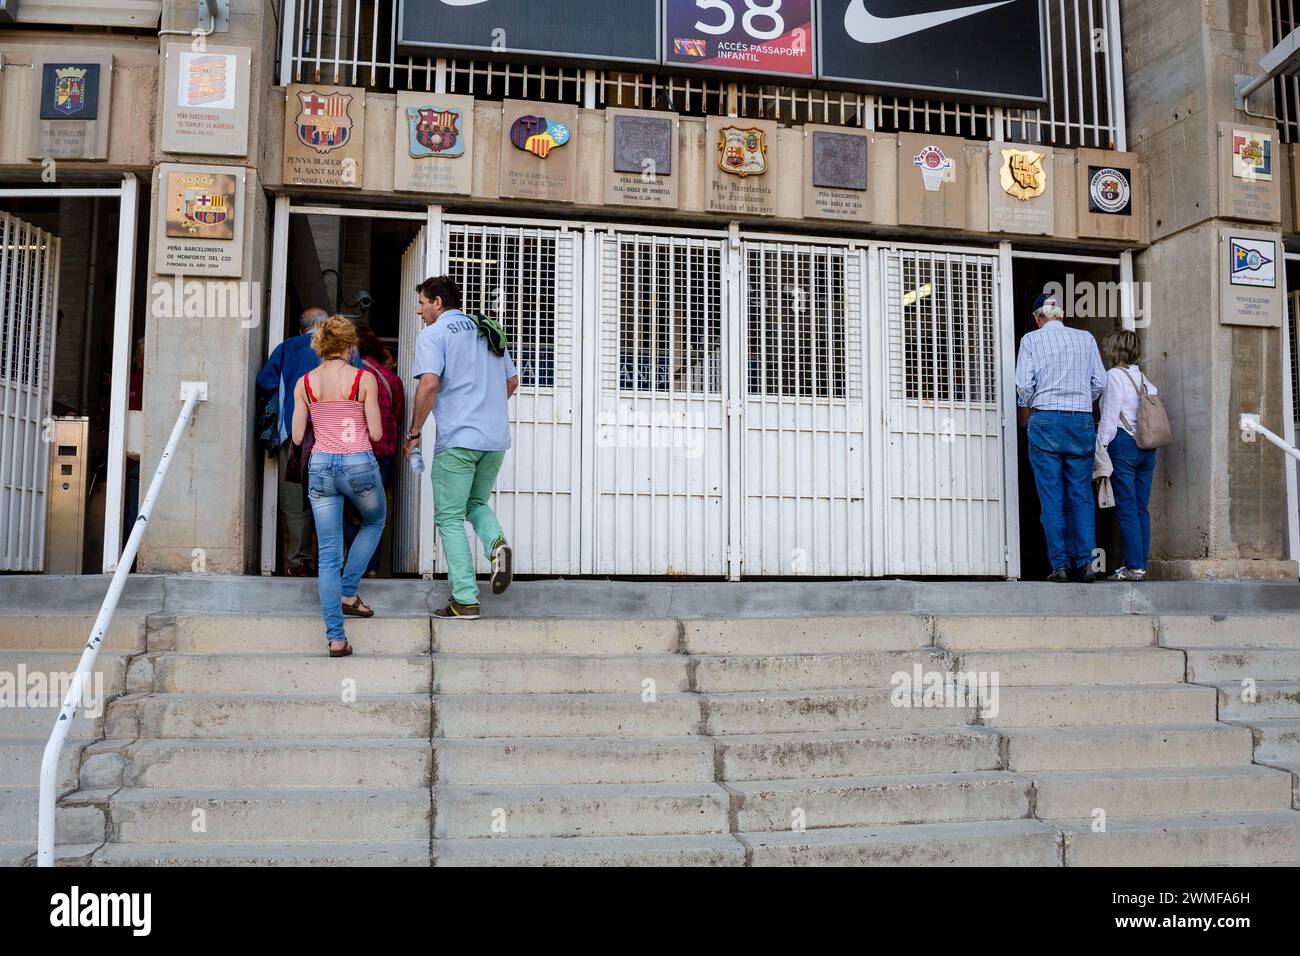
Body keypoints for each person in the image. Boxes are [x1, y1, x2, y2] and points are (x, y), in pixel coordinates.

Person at [405, 276, 518, 619]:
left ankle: (466, 599)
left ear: (438, 302)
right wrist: (486, 407)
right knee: (476, 503)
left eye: (423, 302)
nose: (419, 310)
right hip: (494, 439)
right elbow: (511, 380)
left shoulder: (433, 335)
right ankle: (496, 544)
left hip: (458, 440)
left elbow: (430, 382)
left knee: (450, 518)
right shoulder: (487, 330)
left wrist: (414, 432)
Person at [291, 316, 386, 657]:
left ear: (318, 345)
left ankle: (336, 638)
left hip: (321, 468)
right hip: (358, 463)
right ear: (348, 345)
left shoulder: (304, 383)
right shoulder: (364, 379)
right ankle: (349, 591)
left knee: (329, 554)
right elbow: (375, 433)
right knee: (374, 521)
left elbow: (299, 436)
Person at [257, 307, 360, 575]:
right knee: (334, 498)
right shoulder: (348, 349)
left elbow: (265, 382)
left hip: (296, 436)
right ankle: (336, 562)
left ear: (304, 328)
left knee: (295, 502)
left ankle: (298, 562)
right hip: (337, 436)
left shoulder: (286, 348)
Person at [1015, 292, 1107, 583]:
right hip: (1080, 421)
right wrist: (1080, 402)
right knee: (1081, 495)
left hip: (1046, 421)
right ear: (1062, 315)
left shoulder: (1031, 340)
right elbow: (1100, 383)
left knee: (1051, 497)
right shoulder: (1086, 338)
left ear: (1037, 318)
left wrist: (1035, 404)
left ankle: (1060, 566)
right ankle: (1088, 563)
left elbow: (1023, 385)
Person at [343, 323, 406, 577]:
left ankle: (350, 568)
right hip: (384, 454)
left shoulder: (348, 375)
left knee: (349, 514)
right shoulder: (390, 378)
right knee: (373, 515)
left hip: (353, 453)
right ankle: (371, 568)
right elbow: (397, 415)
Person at [1097, 329, 1158, 581]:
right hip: (1148, 447)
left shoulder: (1114, 376)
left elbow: (1110, 416)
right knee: (1141, 508)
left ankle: (1133, 567)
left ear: (1114, 351)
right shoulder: (1146, 380)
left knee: (1126, 508)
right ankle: (1140, 564)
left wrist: (1099, 447)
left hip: (1123, 444)